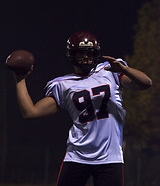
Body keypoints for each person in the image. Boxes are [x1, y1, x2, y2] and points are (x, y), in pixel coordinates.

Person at [13, 31, 152, 186]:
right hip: (77, 156)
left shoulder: (109, 72)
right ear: (71, 55)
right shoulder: (62, 84)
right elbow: (30, 112)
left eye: (90, 53)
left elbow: (146, 83)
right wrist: (20, 80)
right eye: (81, 53)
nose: (86, 57)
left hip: (110, 157)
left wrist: (124, 69)